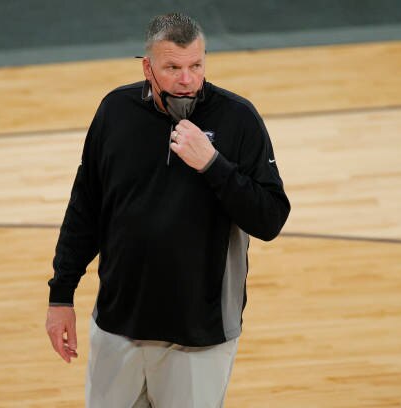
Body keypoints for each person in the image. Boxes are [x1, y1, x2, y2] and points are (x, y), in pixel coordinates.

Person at [45, 12, 290, 408]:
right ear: (148, 67)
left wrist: (213, 164)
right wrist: (61, 297)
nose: (186, 79)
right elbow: (85, 209)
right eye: (172, 67)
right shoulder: (115, 111)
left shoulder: (237, 119)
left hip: (199, 334)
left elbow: (270, 219)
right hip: (118, 327)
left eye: (195, 65)